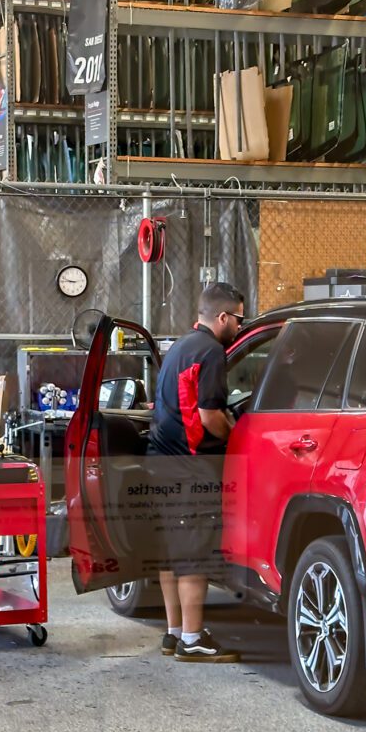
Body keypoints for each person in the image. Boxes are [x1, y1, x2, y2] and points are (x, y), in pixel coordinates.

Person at [147, 282, 245, 663]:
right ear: (222, 317)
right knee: (194, 555)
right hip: (190, 469)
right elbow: (209, 416)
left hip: (160, 464)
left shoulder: (180, 347)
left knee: (172, 552)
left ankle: (174, 633)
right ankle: (193, 639)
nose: (240, 326)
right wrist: (236, 437)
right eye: (238, 319)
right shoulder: (212, 352)